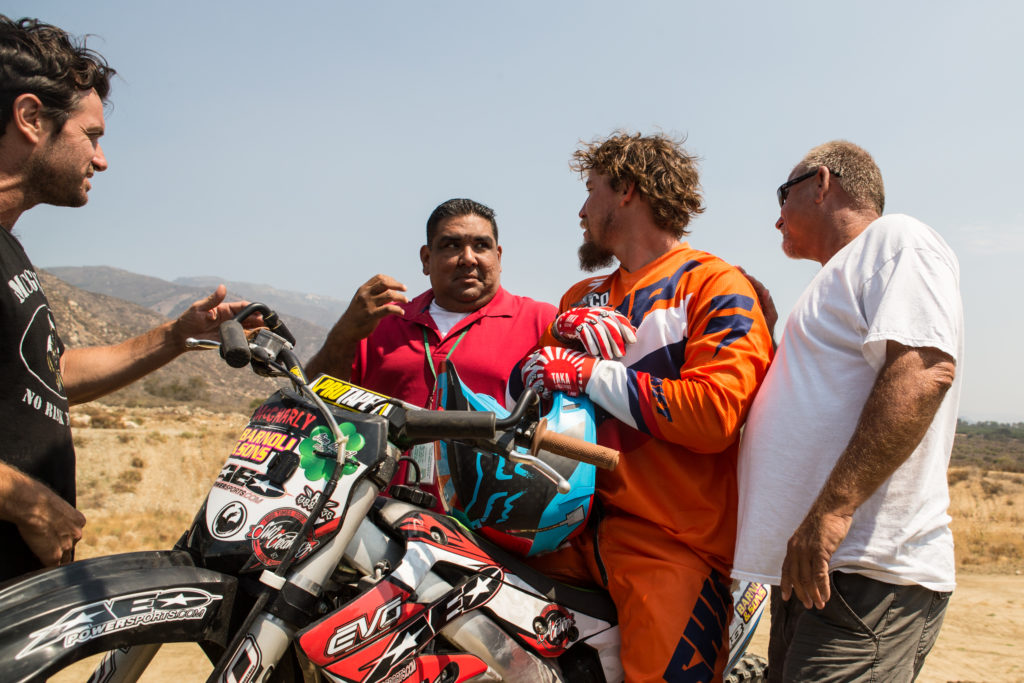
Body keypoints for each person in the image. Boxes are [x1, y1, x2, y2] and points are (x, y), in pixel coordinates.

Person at [0, 15, 256, 582]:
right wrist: (24, 500)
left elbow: (49, 376)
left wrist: (175, 335)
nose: (101, 160)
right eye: (90, 136)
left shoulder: (9, 251)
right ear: (31, 119)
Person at [515, 131, 774, 682]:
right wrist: (556, 341)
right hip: (563, 526)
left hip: (669, 541)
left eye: (590, 191)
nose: (581, 211)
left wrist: (591, 371)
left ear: (626, 191)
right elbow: (526, 395)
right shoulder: (578, 300)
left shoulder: (716, 286)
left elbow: (714, 416)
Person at [732, 140, 964, 682]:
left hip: (868, 570)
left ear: (821, 182)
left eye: (781, 198)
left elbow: (924, 370)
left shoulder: (898, 239)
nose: (776, 220)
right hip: (817, 569)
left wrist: (831, 513)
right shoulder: (839, 275)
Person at [305, 198, 556, 506]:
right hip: (371, 516)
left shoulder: (541, 324)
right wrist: (345, 331)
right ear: (426, 258)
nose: (468, 258)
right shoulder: (382, 322)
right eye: (451, 245)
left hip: (485, 525)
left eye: (481, 245)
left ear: (498, 256)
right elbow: (311, 400)